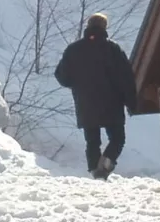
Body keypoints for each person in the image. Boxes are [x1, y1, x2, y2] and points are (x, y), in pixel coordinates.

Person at [54, 13, 137, 179]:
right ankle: (107, 161)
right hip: (112, 103)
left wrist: (78, 86)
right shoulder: (113, 49)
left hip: (86, 103)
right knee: (117, 138)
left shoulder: (73, 50)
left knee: (92, 141)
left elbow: (61, 76)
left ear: (88, 26)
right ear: (104, 27)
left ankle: (94, 171)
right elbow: (127, 78)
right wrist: (131, 102)